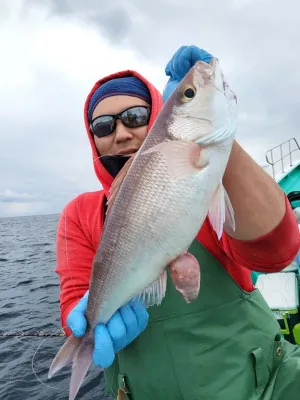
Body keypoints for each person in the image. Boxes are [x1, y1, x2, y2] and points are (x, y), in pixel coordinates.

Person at [55, 46, 300, 399]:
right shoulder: (79, 213)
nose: (122, 133)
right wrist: (86, 325)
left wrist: (215, 138)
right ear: (92, 138)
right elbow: (75, 301)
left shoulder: (205, 183)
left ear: (159, 117)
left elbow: (275, 253)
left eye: (136, 116)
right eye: (104, 125)